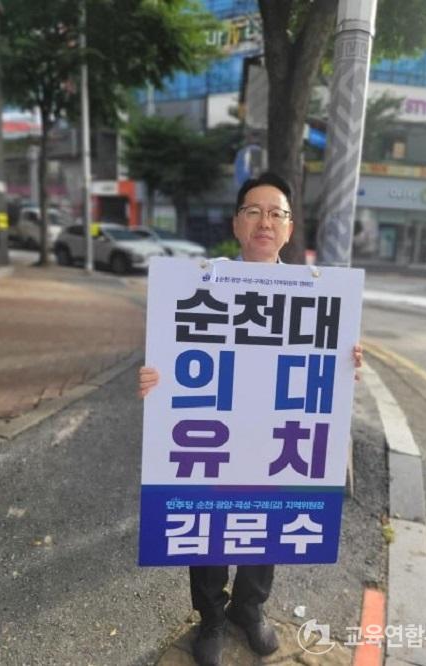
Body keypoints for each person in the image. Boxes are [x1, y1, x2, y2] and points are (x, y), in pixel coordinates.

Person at [139, 172, 363, 666]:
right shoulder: (202, 283)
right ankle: (211, 617)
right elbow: (172, 355)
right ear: (237, 223)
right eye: (254, 211)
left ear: (289, 229)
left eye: (276, 213)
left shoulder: (315, 293)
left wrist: (346, 366)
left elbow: (323, 365)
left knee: (270, 513)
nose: (265, 221)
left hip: (275, 430)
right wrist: (154, 379)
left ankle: (249, 607)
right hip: (214, 429)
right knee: (208, 516)